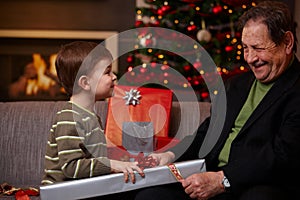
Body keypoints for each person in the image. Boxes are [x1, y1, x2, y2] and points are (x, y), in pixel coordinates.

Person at [134, 1, 300, 200]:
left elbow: (284, 157)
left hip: (258, 184)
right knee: (150, 196)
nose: (249, 58)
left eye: (258, 48)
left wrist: (223, 179)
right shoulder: (236, 85)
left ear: (287, 42)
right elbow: (208, 131)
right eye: (245, 48)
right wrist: (170, 155)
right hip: (210, 174)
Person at [41, 41, 144, 199]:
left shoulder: (90, 116)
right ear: (85, 83)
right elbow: (71, 168)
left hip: (85, 188)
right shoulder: (69, 118)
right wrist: (113, 165)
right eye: (107, 72)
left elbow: (95, 160)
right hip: (64, 193)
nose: (114, 77)